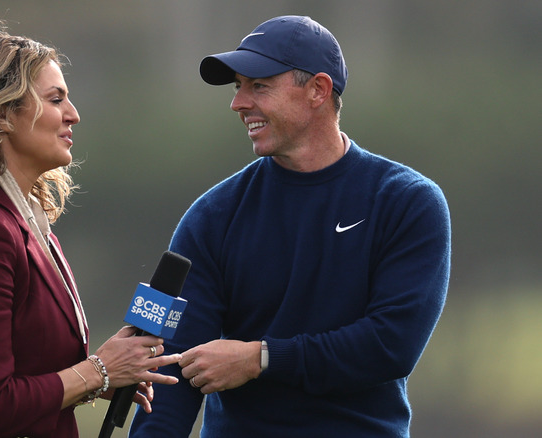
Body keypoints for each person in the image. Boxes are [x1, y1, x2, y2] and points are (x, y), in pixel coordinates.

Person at [129, 15, 450, 437]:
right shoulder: (213, 215)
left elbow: (389, 346)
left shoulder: (406, 201)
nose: (238, 103)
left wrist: (260, 358)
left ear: (318, 90)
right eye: (237, 87)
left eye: (258, 86)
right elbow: (173, 370)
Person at [0, 19, 181, 438]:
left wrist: (107, 371)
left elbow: (26, 370)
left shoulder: (24, 221)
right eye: (55, 98)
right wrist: (98, 371)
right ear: (4, 114)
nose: (73, 115)